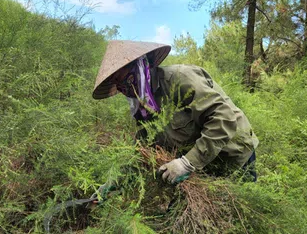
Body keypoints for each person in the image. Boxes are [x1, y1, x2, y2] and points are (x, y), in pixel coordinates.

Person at [93, 40, 258, 184]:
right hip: (203, 163)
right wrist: (115, 181)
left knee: (239, 214)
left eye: (126, 79)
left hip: (233, 153)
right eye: (118, 84)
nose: (125, 88)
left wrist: (187, 163)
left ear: (141, 67)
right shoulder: (142, 109)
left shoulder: (179, 78)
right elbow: (143, 150)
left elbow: (223, 118)